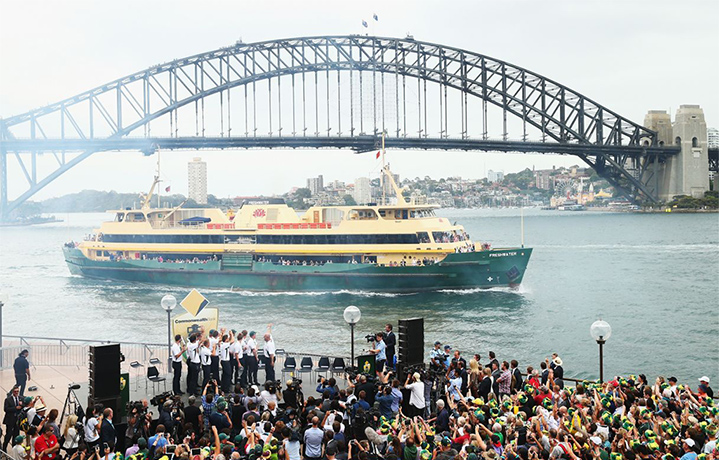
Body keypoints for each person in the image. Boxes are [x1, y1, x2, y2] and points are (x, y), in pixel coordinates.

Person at [3, 385, 22, 450]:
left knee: (16, 435)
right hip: (10, 420)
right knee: (8, 435)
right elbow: (6, 409)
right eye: (15, 391)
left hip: (17, 420)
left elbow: (26, 405)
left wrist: (21, 405)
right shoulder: (8, 400)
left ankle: (14, 448)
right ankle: (4, 447)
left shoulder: (20, 398)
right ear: (13, 392)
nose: (16, 393)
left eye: (17, 391)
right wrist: (15, 408)